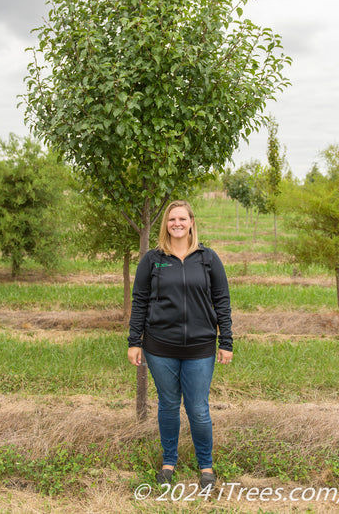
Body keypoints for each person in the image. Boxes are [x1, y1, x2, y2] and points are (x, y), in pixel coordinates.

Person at [127, 200, 233, 489]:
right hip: (159, 346)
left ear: (191, 222)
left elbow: (222, 301)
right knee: (169, 404)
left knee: (198, 408)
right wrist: (134, 341)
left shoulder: (208, 258)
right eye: (172, 219)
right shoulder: (153, 259)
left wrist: (226, 341)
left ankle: (206, 467)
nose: (177, 223)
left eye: (182, 218)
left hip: (200, 347)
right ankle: (169, 462)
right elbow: (139, 302)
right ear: (166, 224)